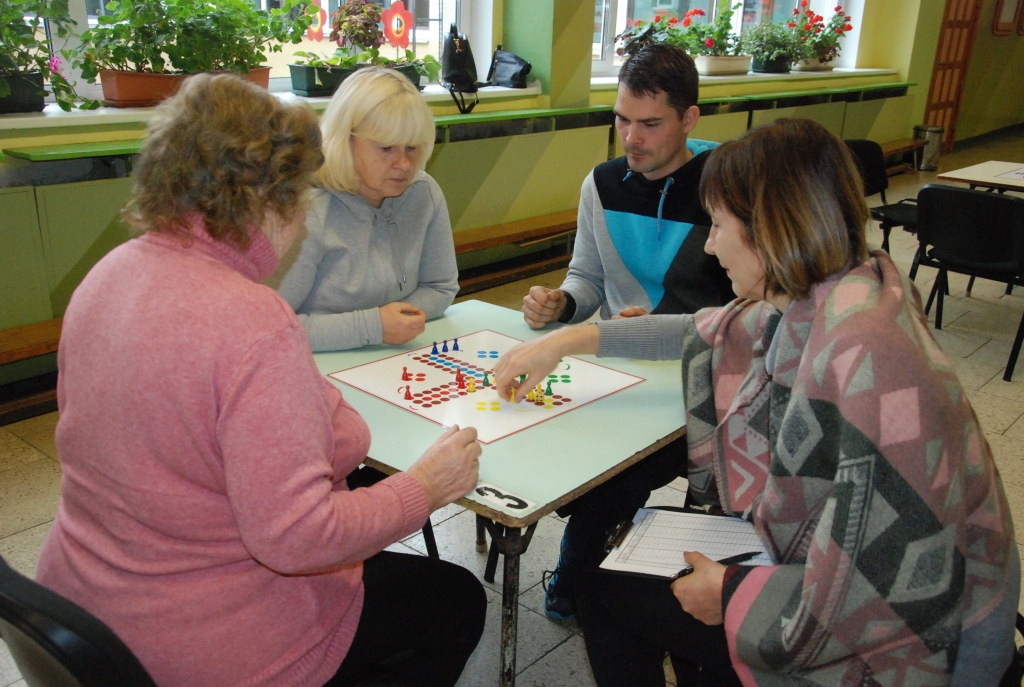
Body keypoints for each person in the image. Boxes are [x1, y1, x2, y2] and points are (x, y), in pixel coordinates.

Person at [494, 118, 1019, 686]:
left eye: (718, 224)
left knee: (604, 589)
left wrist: (731, 592)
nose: (711, 244)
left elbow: (874, 585)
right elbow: (706, 330)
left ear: (770, 229)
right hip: (865, 582)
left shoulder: (862, 353)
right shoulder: (839, 290)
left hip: (921, 643)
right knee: (633, 573)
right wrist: (571, 339)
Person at [35, 74, 486, 687]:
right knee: (454, 600)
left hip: (86, 604)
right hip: (206, 639)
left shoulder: (108, 274)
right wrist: (424, 487)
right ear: (265, 200)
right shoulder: (253, 322)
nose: (302, 219)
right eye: (298, 195)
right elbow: (297, 539)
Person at [524, 43, 734, 622]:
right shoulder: (602, 183)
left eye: (650, 123)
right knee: (556, 443)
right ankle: (589, 557)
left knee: (614, 480)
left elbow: (746, 313)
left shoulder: (727, 185)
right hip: (619, 366)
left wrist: (649, 330)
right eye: (620, 119)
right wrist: (562, 303)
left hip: (704, 379)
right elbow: (587, 278)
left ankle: (577, 577)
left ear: (689, 119)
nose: (630, 137)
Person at [275, 67, 459, 352]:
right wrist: (374, 326)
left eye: (411, 148)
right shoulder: (306, 210)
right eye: (386, 148)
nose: (404, 164)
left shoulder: (424, 193)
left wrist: (395, 322)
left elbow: (441, 287)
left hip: (390, 357)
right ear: (344, 141)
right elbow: (272, 327)